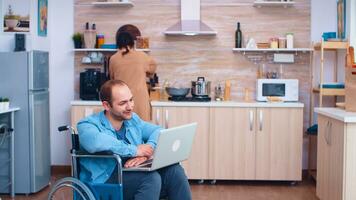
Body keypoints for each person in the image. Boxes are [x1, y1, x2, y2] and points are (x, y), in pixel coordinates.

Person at [77, 80, 192, 200]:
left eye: (131, 100)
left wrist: (148, 150)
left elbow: (158, 131)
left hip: (131, 174)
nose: (130, 106)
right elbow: (96, 142)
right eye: (123, 103)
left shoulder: (132, 120)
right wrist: (135, 150)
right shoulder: (87, 124)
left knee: (174, 171)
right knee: (150, 178)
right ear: (106, 105)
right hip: (104, 181)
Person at [109, 31, 156, 121]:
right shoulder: (142, 56)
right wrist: (148, 74)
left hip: (121, 100)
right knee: (141, 128)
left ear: (118, 43)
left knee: (123, 128)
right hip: (139, 100)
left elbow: (112, 78)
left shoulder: (113, 59)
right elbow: (153, 68)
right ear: (132, 42)